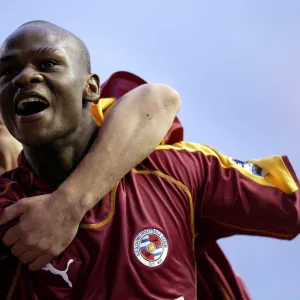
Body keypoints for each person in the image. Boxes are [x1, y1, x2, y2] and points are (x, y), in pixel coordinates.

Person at [0, 21, 299, 300]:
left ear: (91, 88)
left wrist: (66, 204)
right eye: (7, 72)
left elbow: (292, 205)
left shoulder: (177, 171)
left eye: (48, 63)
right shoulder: (7, 210)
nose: (24, 77)